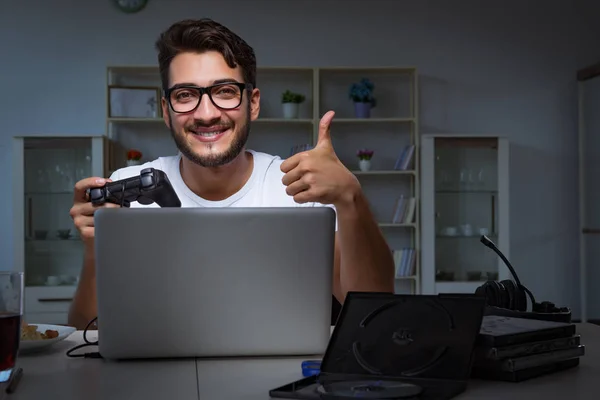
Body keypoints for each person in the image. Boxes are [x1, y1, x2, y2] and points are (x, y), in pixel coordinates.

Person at [67, 18, 395, 330]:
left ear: (252, 103)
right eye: (185, 95)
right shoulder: (127, 192)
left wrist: (352, 198)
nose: (206, 113)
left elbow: (373, 313)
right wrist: (95, 248)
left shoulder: (296, 190)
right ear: (166, 111)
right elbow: (86, 331)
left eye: (224, 91)